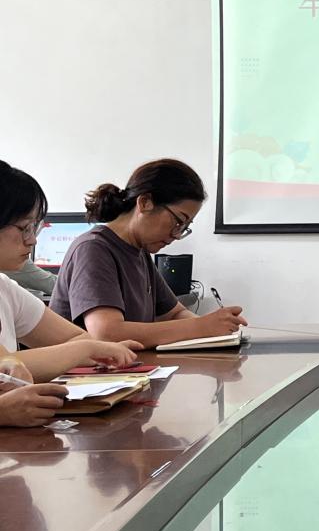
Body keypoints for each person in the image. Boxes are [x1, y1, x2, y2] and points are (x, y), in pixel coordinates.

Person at [0, 161, 143, 426]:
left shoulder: (5, 288)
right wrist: (86, 349)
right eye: (24, 227)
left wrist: (91, 349)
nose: (32, 240)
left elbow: (75, 338)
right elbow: (7, 365)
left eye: (34, 227)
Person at [48, 159, 246, 349]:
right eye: (178, 221)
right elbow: (107, 332)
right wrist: (200, 327)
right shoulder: (93, 249)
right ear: (144, 203)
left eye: (184, 227)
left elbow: (175, 314)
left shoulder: (140, 253)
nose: (177, 235)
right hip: (82, 372)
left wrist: (215, 334)